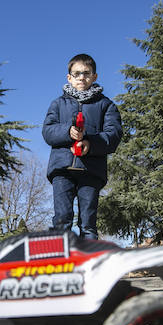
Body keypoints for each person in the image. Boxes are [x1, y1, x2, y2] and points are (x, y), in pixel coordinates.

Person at [42, 53, 122, 240]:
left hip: (91, 170)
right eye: (76, 74)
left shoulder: (106, 105)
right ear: (69, 77)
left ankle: (89, 255)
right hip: (62, 169)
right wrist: (67, 132)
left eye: (86, 73)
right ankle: (62, 255)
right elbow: (48, 131)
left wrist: (90, 143)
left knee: (88, 223)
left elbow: (114, 135)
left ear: (94, 76)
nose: (81, 77)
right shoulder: (58, 104)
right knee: (61, 219)